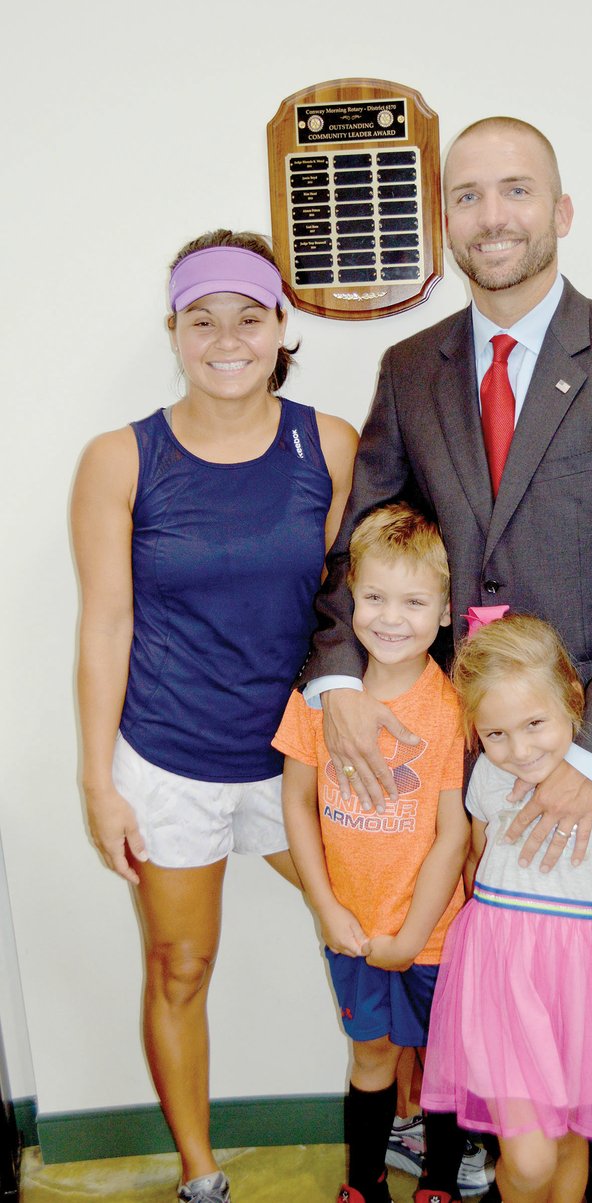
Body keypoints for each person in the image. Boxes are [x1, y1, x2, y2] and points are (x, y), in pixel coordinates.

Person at [303, 117, 592, 1202]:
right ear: (446, 222)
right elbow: (359, 547)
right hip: (463, 756)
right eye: (470, 196)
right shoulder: (408, 366)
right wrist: (339, 681)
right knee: (499, 995)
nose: (493, 216)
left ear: (559, 212)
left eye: (516, 191)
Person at [70, 229, 358, 1203]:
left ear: (281, 327)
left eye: (248, 316)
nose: (225, 338)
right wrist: (96, 781)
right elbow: (105, 624)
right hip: (169, 761)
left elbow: (343, 610)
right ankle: (200, 1174)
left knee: (378, 929)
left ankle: (400, 1120)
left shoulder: (325, 443)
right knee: (180, 966)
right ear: (175, 331)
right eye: (203, 320)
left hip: (296, 764)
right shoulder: (120, 458)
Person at [421, 612, 592, 1203]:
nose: (519, 748)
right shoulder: (486, 776)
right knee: (530, 1162)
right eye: (497, 734)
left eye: (535, 723)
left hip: (584, 987)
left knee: (567, 1142)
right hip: (502, 981)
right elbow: (478, 863)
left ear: (573, 702)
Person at [273, 504, 471, 1203]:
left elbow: (454, 833)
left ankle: (441, 1183)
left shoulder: (450, 710)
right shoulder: (322, 698)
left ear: (446, 611)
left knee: (445, 1062)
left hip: (434, 934)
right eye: (375, 597)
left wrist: (415, 933)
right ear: (350, 595)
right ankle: (363, 1184)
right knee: (371, 1056)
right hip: (350, 928)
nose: (392, 617)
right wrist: (326, 908)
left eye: (415, 601)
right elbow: (295, 802)